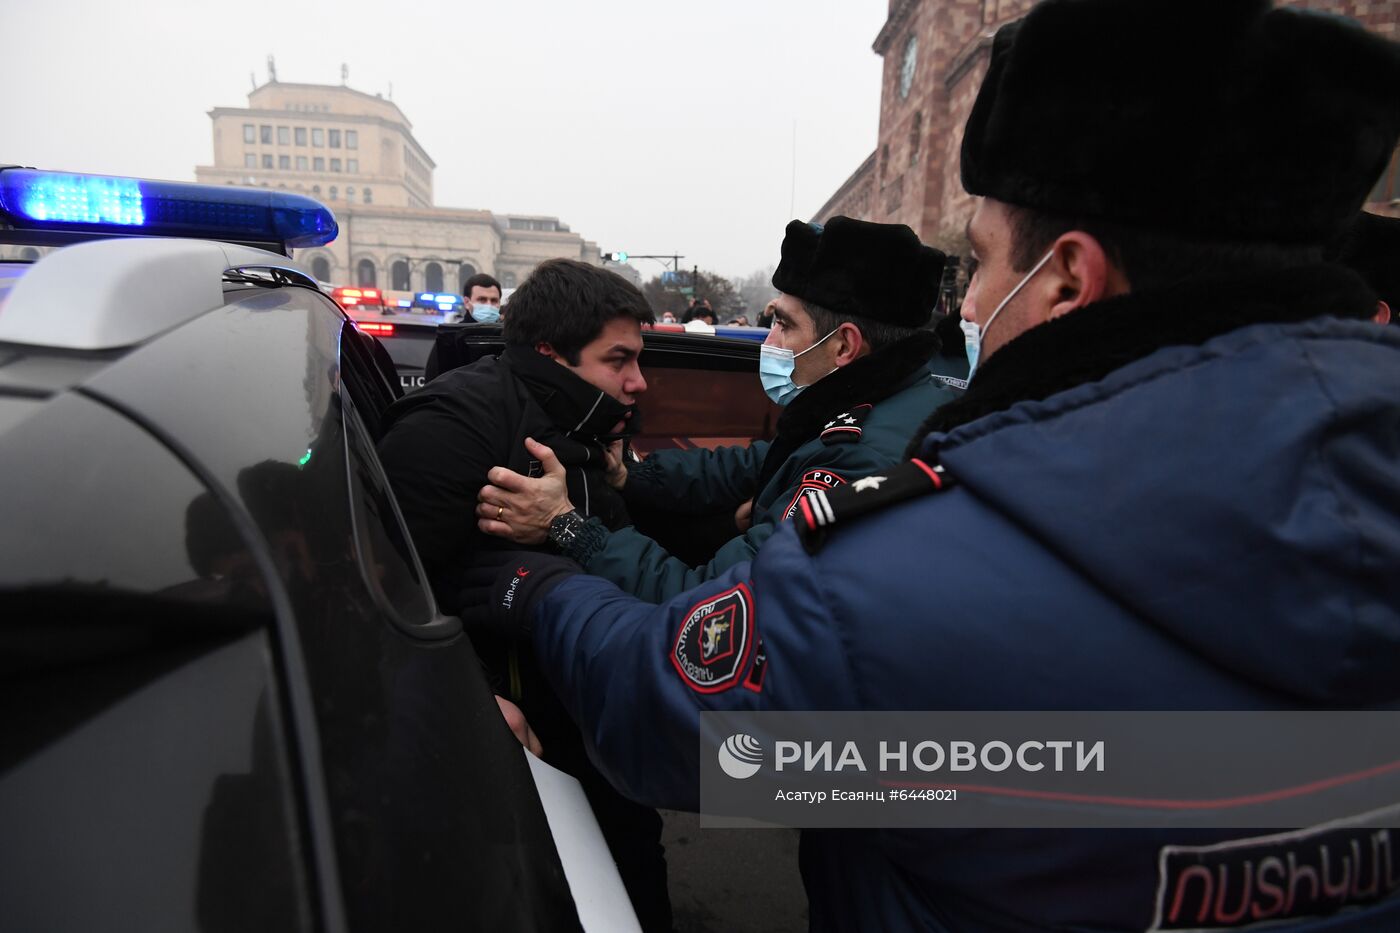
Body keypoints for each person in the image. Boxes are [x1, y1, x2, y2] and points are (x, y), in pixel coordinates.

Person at [463, 1, 1400, 929]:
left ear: (1068, 279)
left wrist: (544, 582)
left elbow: (696, 734)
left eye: (984, 262)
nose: (974, 299)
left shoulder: (916, 574)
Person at [376, 258, 673, 930]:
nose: (638, 381)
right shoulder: (454, 429)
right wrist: (473, 698)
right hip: (527, 739)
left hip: (592, 715)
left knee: (632, 868)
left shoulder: (588, 430)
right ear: (550, 353)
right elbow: (393, 593)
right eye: (618, 360)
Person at [476, 217, 958, 603]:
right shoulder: (875, 408)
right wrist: (633, 478)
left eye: (784, 326)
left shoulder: (862, 457)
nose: (768, 343)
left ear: (844, 347)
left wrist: (569, 527)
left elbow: (709, 600)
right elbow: (755, 463)